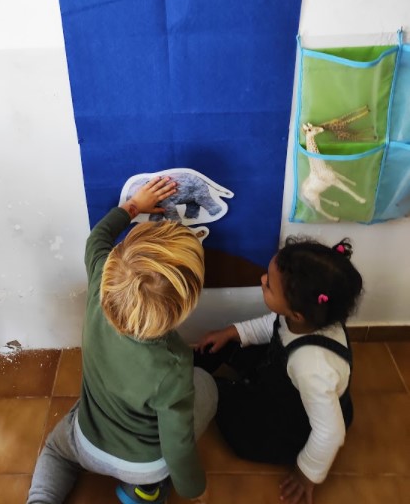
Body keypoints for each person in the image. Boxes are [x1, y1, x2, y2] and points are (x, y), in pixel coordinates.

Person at [27, 176, 217, 504]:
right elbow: (178, 444)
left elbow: (97, 238)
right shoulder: (175, 362)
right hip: (143, 468)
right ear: (183, 309)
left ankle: (40, 499)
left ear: (115, 263)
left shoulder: (99, 284)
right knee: (207, 385)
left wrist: (132, 207)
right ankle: (145, 492)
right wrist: (193, 489)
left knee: (55, 452)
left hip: (85, 442)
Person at [194, 236, 363, 504]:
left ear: (297, 314)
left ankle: (205, 386)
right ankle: (192, 368)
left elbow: (330, 433)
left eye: (269, 286)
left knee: (214, 390)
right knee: (224, 345)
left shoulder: (311, 366)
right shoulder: (308, 317)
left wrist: (307, 473)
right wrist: (231, 332)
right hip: (278, 379)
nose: (262, 280)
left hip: (284, 429)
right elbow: (271, 325)